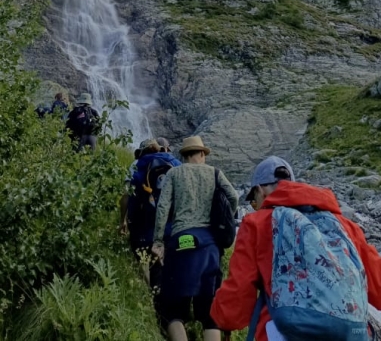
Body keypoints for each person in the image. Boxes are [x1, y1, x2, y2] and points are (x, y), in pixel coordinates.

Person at [211, 155, 381, 341]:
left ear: (260, 191)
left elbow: (238, 297)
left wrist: (221, 318)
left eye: (253, 201)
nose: (255, 206)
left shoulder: (257, 223)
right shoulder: (345, 225)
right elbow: (377, 285)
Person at [152, 135, 238, 341]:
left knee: (173, 310)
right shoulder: (215, 173)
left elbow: (162, 207)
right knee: (210, 312)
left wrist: (158, 241)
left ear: (185, 155)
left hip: (180, 241)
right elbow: (233, 197)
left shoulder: (173, 173)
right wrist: (224, 222)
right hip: (209, 245)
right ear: (201, 154)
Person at [125, 138, 181, 319]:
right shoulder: (175, 163)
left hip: (144, 227)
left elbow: (127, 196)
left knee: (147, 262)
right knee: (168, 266)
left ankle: (156, 305)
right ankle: (175, 310)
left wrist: (123, 220)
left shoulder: (136, 165)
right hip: (171, 227)